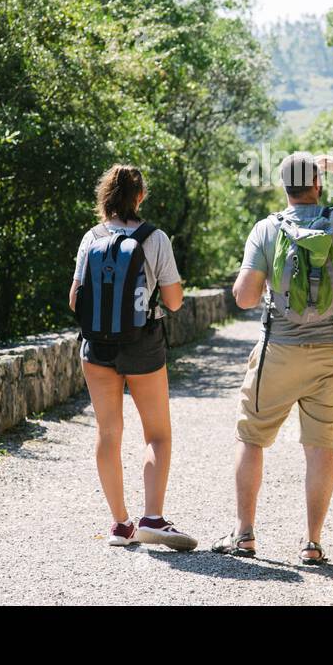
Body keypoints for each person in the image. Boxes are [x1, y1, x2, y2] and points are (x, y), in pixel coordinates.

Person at [212, 152, 333, 564]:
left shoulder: (266, 228)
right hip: (329, 355)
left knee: (252, 438)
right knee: (319, 448)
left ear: (284, 188)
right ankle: (312, 543)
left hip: (278, 352)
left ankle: (244, 534)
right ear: (318, 184)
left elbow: (243, 298)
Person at [69, 164, 197, 551]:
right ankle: (153, 519)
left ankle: (120, 525)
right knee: (156, 433)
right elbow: (173, 302)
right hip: (143, 343)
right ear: (140, 197)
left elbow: (75, 300)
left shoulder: (92, 237)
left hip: (97, 347)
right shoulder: (155, 238)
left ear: (104, 197)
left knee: (108, 433)